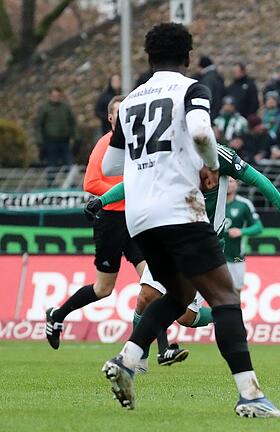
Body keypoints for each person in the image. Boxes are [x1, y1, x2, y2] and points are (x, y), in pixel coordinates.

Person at [99, 22, 280, 418]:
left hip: (140, 217)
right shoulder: (193, 90)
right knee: (226, 298)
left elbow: (112, 162)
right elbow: (201, 133)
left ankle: (127, 359)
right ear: (189, 58)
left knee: (176, 296)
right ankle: (250, 396)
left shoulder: (132, 100)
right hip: (181, 210)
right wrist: (209, 166)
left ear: (148, 57)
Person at [45, 96, 190, 363]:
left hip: (136, 220)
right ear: (111, 119)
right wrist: (123, 194)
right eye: (118, 114)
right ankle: (57, 315)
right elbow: (91, 183)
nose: (124, 118)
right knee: (103, 289)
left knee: (154, 281)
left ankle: (163, 349)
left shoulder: (141, 146)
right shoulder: (105, 145)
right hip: (111, 222)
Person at [223, 178, 262, 292]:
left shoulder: (244, 204)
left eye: (231, 181)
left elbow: (258, 227)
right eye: (225, 181)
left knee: (236, 292)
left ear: (237, 184)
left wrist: (241, 231)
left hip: (237, 257)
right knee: (214, 293)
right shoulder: (213, 202)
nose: (228, 184)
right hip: (216, 256)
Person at [36, 87, 78, 166]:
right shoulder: (45, 108)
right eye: (54, 96)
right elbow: (39, 125)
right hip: (50, 141)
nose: (56, 98)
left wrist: (76, 137)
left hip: (65, 141)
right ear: (50, 96)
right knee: (51, 164)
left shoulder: (65, 108)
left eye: (58, 96)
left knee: (69, 163)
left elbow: (72, 123)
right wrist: (39, 140)